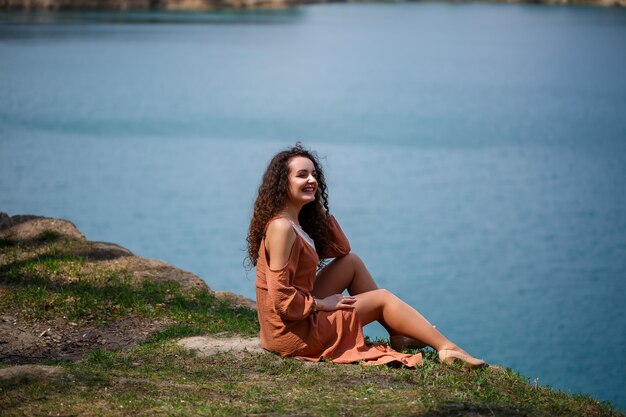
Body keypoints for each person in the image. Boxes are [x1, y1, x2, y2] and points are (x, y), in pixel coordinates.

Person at [246, 144, 486, 368]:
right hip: (291, 333)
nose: (312, 180)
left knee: (351, 263)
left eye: (314, 175)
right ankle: (447, 348)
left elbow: (343, 250)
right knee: (382, 299)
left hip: (293, 320)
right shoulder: (282, 227)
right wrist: (323, 304)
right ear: (282, 183)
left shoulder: (294, 221)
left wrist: (316, 207)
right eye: (302, 175)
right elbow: (281, 299)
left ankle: (399, 335)